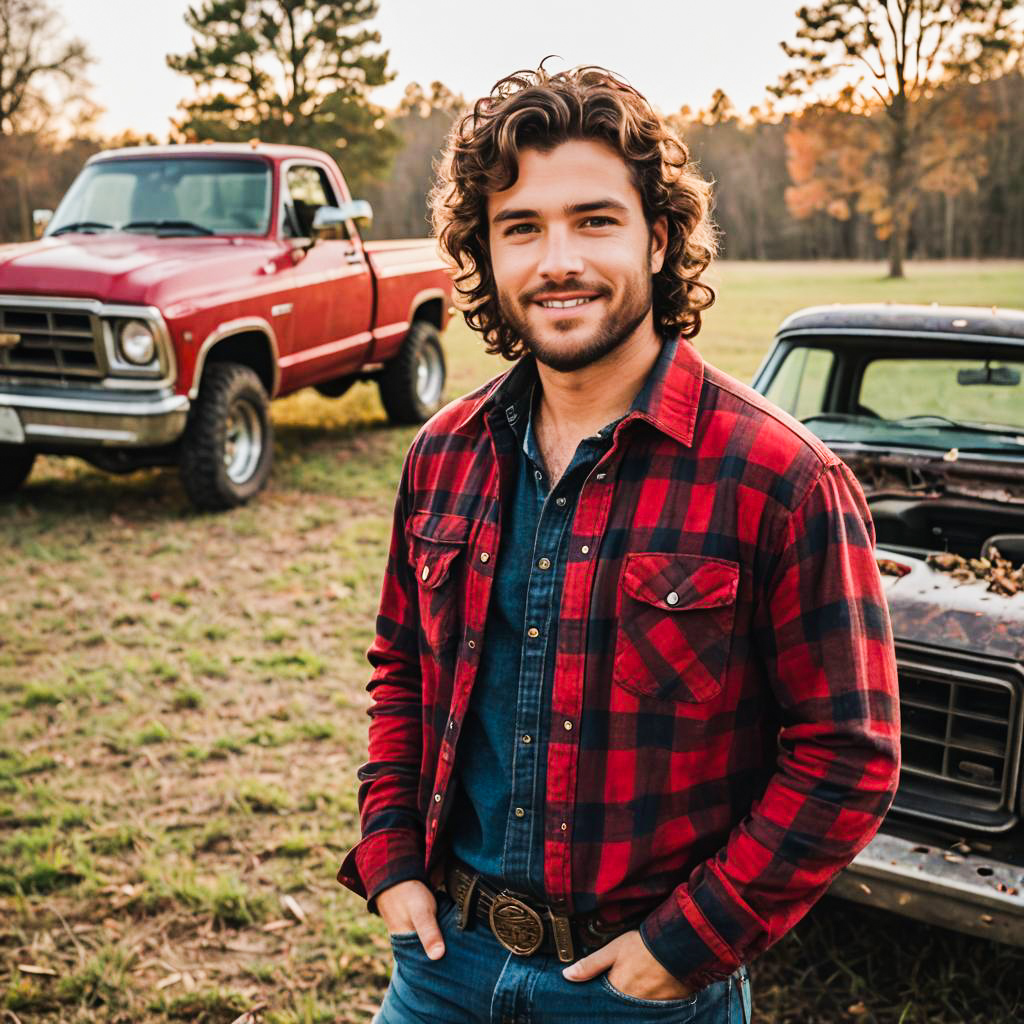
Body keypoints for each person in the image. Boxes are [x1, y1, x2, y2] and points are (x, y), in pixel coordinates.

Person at [338, 64, 900, 1024]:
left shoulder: (782, 478)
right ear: (487, 253)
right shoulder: (443, 455)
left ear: (661, 236)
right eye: (522, 228)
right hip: (440, 964)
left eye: (594, 220)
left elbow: (849, 753)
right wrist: (390, 854)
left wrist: (686, 948)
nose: (558, 259)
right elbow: (404, 672)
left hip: (639, 990)